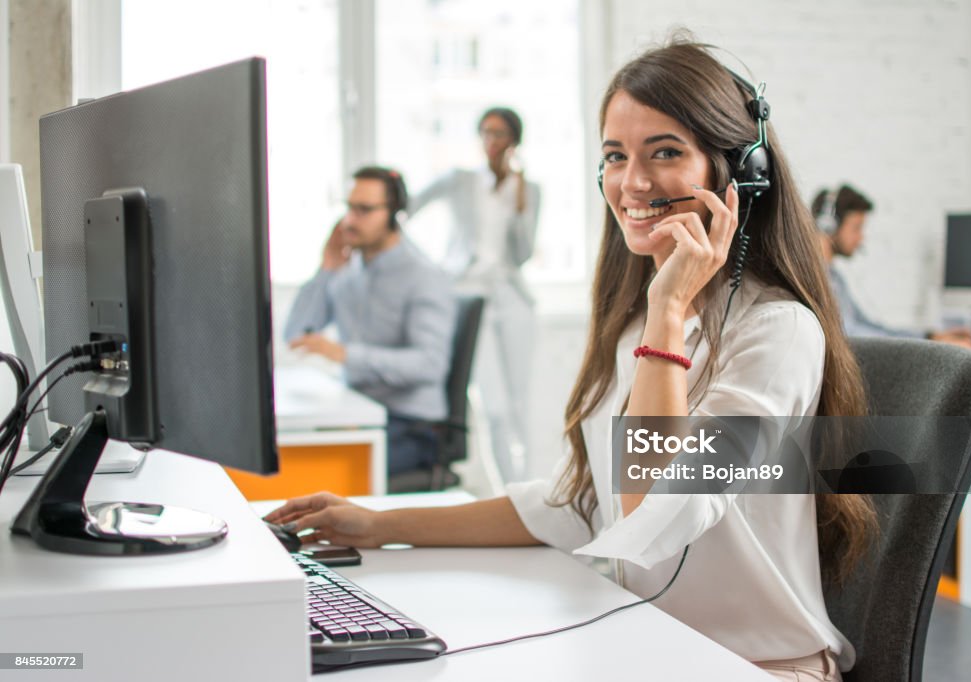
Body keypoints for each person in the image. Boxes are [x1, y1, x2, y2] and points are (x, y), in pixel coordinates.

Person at [269, 36, 877, 680]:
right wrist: (380, 524)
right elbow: (579, 503)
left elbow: (652, 518)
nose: (632, 183)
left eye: (665, 152)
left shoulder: (777, 333)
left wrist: (669, 307)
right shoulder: (638, 324)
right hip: (649, 648)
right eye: (616, 156)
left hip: (758, 665)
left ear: (738, 176)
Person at [284, 166, 457, 478]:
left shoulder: (423, 276)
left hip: (411, 425)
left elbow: (430, 364)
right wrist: (326, 269)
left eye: (364, 210)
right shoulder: (348, 271)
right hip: (358, 413)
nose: (350, 220)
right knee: (289, 454)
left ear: (394, 214)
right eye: (349, 208)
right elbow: (296, 335)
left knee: (317, 473)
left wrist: (347, 354)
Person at [406, 107, 541, 482]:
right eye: (484, 132)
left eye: (498, 134)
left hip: (511, 297)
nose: (490, 141)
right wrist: (434, 269)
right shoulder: (459, 181)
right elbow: (406, 209)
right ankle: (505, 493)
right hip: (467, 295)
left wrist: (520, 208)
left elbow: (523, 253)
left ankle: (527, 487)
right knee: (493, 406)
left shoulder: (528, 190)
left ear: (513, 140)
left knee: (518, 404)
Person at [812, 184, 971, 349]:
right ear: (828, 225)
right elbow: (851, 334)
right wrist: (933, 346)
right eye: (856, 228)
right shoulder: (816, 279)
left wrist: (930, 337)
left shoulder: (835, 278)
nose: (861, 238)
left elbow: (869, 327)